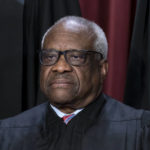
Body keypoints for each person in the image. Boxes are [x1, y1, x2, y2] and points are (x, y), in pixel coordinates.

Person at [0, 16, 150, 150]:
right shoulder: (7, 134)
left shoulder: (139, 132)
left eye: (76, 57)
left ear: (102, 68)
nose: (60, 67)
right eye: (50, 56)